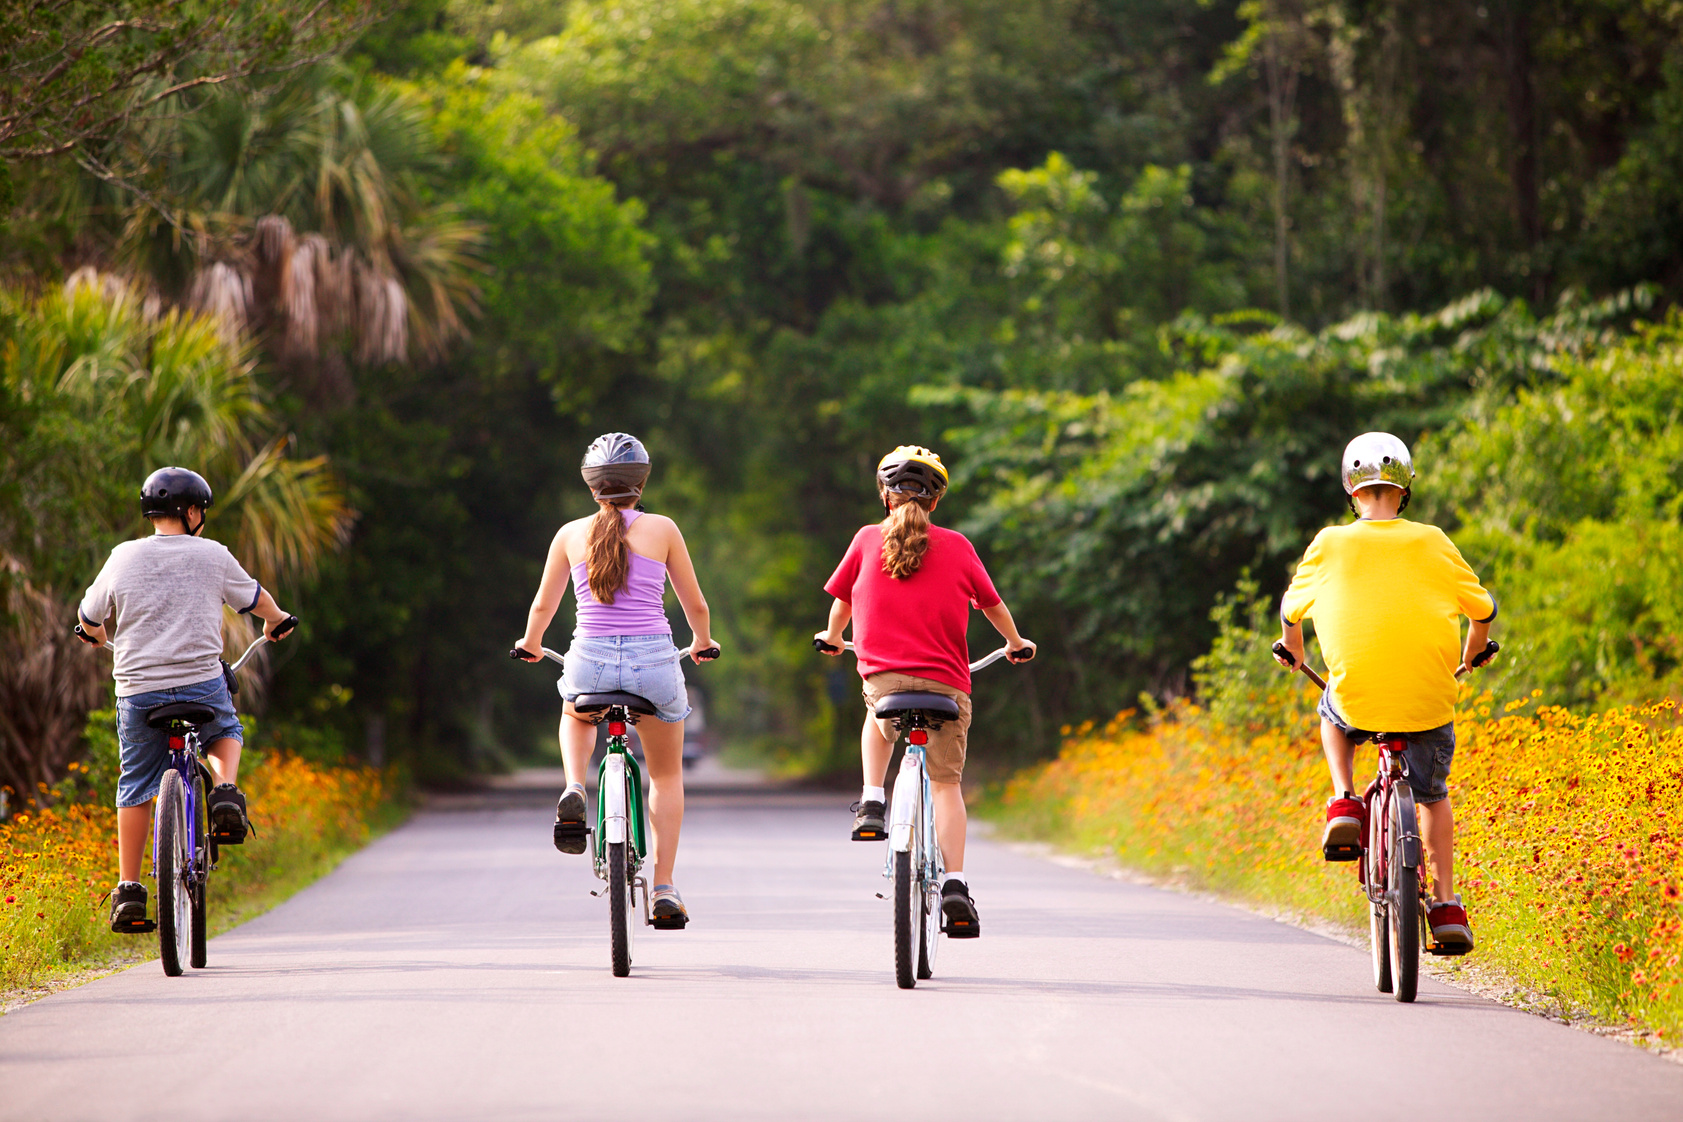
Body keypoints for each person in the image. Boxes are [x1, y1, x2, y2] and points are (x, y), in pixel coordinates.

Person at [1273, 432, 1497, 951]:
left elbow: (1290, 611)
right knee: (1433, 796)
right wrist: (1471, 654)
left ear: (1352, 491)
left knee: (1331, 709)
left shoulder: (1329, 542)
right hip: (1428, 702)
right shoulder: (1435, 540)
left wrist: (1295, 650)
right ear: (1404, 490)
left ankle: (1344, 801)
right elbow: (1483, 610)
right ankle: (1445, 906)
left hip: (1358, 698)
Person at [816, 445, 1034, 938]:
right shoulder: (957, 546)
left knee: (876, 720)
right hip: (947, 689)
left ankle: (873, 799)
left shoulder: (867, 539)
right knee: (946, 784)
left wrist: (832, 638)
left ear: (884, 496)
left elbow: (843, 603)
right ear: (935, 501)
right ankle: (955, 883)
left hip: (886, 684)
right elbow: (993, 606)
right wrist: (1016, 643)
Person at [76, 467, 297, 933]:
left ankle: (130, 891)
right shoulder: (213, 556)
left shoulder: (122, 556)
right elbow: (258, 600)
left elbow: (88, 613)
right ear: (191, 511)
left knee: (135, 783)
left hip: (138, 691)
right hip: (200, 683)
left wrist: (95, 634)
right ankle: (225, 793)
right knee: (226, 730)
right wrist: (275, 621)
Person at [514, 433, 718, 928]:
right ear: (642, 482)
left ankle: (573, 786)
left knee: (575, 713)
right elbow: (695, 605)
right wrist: (703, 640)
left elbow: (543, 606)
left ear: (591, 487)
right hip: (654, 664)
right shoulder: (663, 528)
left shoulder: (569, 535)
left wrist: (532, 643)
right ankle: (664, 886)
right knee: (666, 775)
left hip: (589, 660)